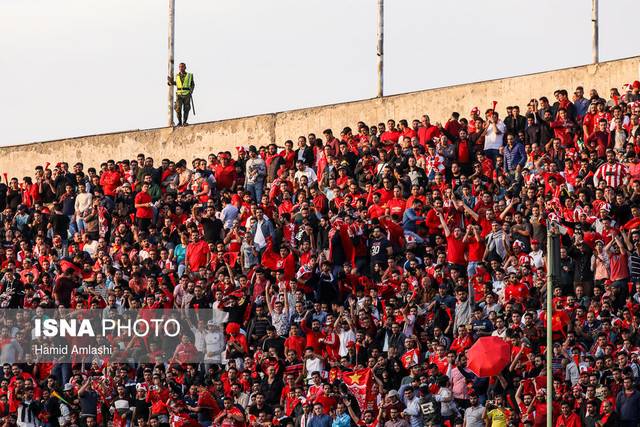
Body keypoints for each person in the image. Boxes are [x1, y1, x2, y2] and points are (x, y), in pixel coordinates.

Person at [168, 62, 195, 126]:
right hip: (179, 94)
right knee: (178, 108)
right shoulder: (177, 76)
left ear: (185, 67)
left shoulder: (189, 75)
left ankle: (184, 122)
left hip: (187, 93)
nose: (181, 68)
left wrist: (191, 90)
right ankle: (179, 122)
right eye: (180, 67)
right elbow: (176, 83)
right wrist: (170, 82)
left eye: (182, 67)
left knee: (186, 108)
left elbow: (192, 84)